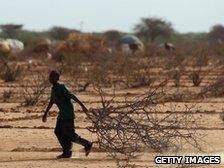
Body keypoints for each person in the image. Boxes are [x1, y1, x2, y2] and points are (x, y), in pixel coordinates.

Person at [42, 70, 93, 159]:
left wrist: (83, 106)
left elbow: (72, 96)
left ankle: (87, 144)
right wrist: (45, 113)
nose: (51, 78)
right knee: (58, 132)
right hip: (62, 115)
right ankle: (67, 152)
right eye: (50, 76)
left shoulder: (62, 87)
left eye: (53, 77)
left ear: (57, 78)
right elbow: (51, 101)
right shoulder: (53, 89)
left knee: (70, 134)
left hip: (68, 114)